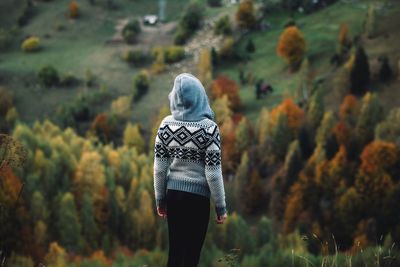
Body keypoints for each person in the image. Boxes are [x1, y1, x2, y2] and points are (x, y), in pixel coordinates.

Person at [153, 73, 228, 267]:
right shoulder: (209, 129)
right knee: (191, 256)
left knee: (176, 253)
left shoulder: (165, 126)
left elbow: (160, 169)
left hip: (174, 196)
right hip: (197, 200)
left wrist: (160, 199)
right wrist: (221, 207)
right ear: (200, 97)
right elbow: (213, 173)